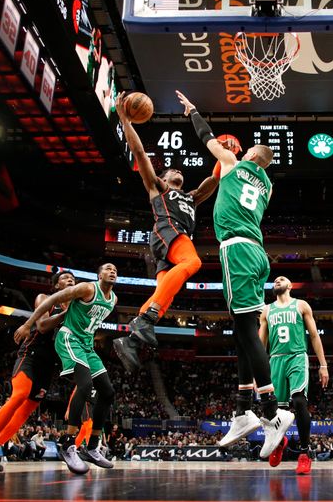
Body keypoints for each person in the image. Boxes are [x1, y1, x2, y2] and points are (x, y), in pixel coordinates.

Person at [176, 89, 294, 460]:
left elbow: (206, 137)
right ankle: (243, 410)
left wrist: (194, 110)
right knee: (242, 330)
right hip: (258, 252)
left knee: (245, 331)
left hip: (238, 250)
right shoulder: (269, 186)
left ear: (248, 155)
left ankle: (273, 414)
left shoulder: (231, 161)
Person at [112, 92, 222, 370]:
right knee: (193, 262)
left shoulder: (191, 196)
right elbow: (139, 153)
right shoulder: (158, 188)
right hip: (167, 232)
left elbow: (213, 180)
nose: (178, 173)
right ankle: (143, 321)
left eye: (180, 173)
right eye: (172, 171)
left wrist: (226, 154)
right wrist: (127, 122)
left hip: (172, 240)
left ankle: (131, 341)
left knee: (165, 294)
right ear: (163, 178)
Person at [0, 271, 75, 473]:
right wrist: (68, 314)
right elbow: (42, 326)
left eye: (73, 279)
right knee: (19, 396)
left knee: (25, 412)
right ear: (56, 285)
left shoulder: (75, 309)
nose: (70, 280)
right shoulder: (46, 299)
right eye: (65, 278)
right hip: (31, 355)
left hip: (49, 364)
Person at [23, 263, 119, 474]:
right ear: (99, 274)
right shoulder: (87, 288)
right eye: (108, 268)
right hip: (69, 338)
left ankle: (92, 447)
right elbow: (53, 299)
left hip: (87, 344)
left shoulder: (113, 300)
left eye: (115, 270)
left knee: (108, 392)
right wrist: (28, 324)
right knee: (84, 387)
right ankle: (68, 444)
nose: (112, 271)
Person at [258, 276, 328, 474]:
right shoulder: (266, 310)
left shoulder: (301, 305)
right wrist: (257, 373)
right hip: (275, 359)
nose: (277, 280)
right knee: (276, 411)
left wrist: (323, 365)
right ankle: (279, 442)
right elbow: (260, 345)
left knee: (298, 402)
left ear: (290, 285)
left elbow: (314, 335)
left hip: (297, 356)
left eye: (282, 279)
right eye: (275, 280)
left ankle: (305, 453)